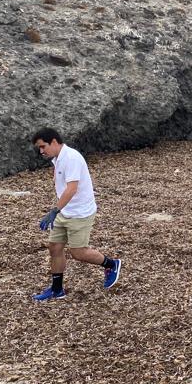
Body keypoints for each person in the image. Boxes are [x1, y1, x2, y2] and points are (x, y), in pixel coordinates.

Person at [30, 128, 122, 301]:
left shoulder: (71, 158)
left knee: (78, 252)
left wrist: (54, 211)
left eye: (43, 147)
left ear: (54, 142)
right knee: (54, 247)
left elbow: (71, 189)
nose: (41, 151)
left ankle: (111, 264)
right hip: (65, 211)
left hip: (80, 213)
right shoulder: (57, 159)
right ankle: (57, 290)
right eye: (39, 148)